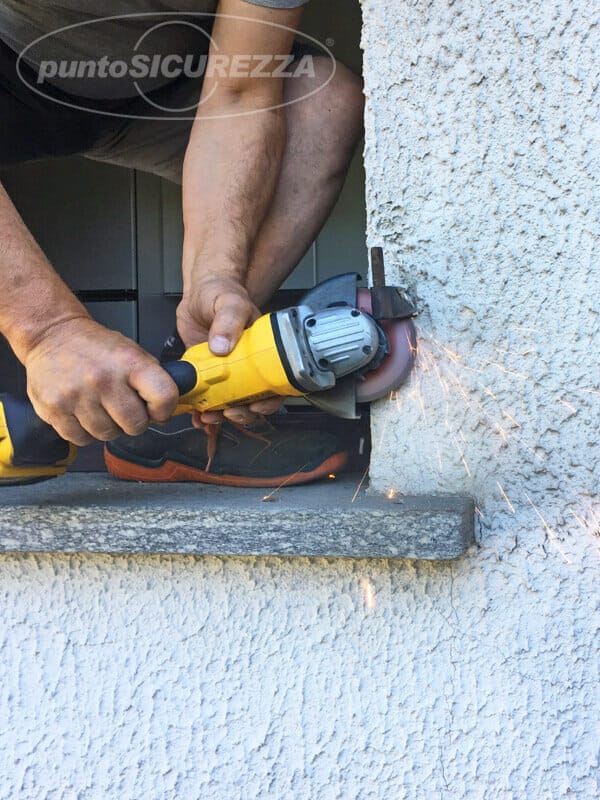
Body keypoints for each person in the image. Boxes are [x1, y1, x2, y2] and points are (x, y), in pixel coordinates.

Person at [0, 0, 364, 485]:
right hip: (11, 69)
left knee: (323, 102)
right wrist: (48, 331)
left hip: (163, 85)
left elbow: (240, 90)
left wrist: (217, 273)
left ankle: (181, 399)